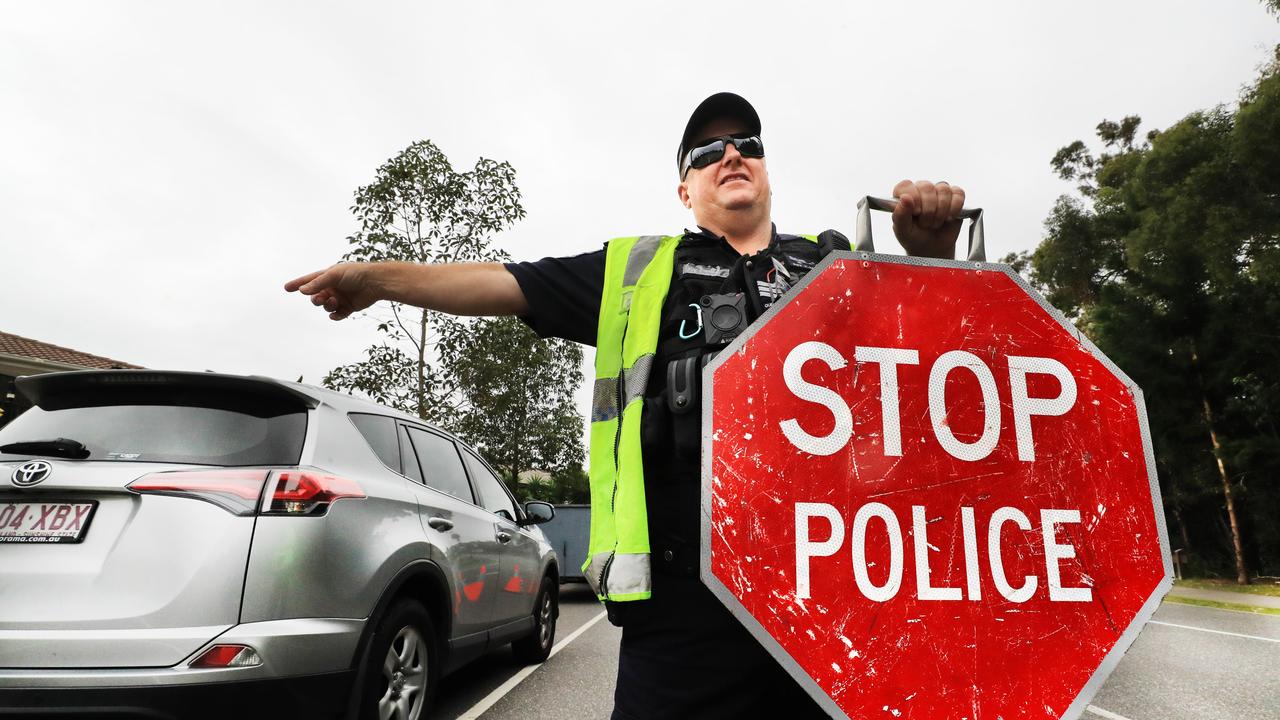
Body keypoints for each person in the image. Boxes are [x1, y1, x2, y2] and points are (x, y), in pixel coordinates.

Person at [285, 92, 968, 719]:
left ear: (765, 168)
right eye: (706, 152)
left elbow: (930, 369)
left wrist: (932, 256)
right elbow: (500, 282)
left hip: (831, 601)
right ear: (685, 189)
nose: (730, 154)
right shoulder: (639, 270)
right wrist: (375, 277)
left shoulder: (836, 261)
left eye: (746, 143)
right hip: (683, 610)